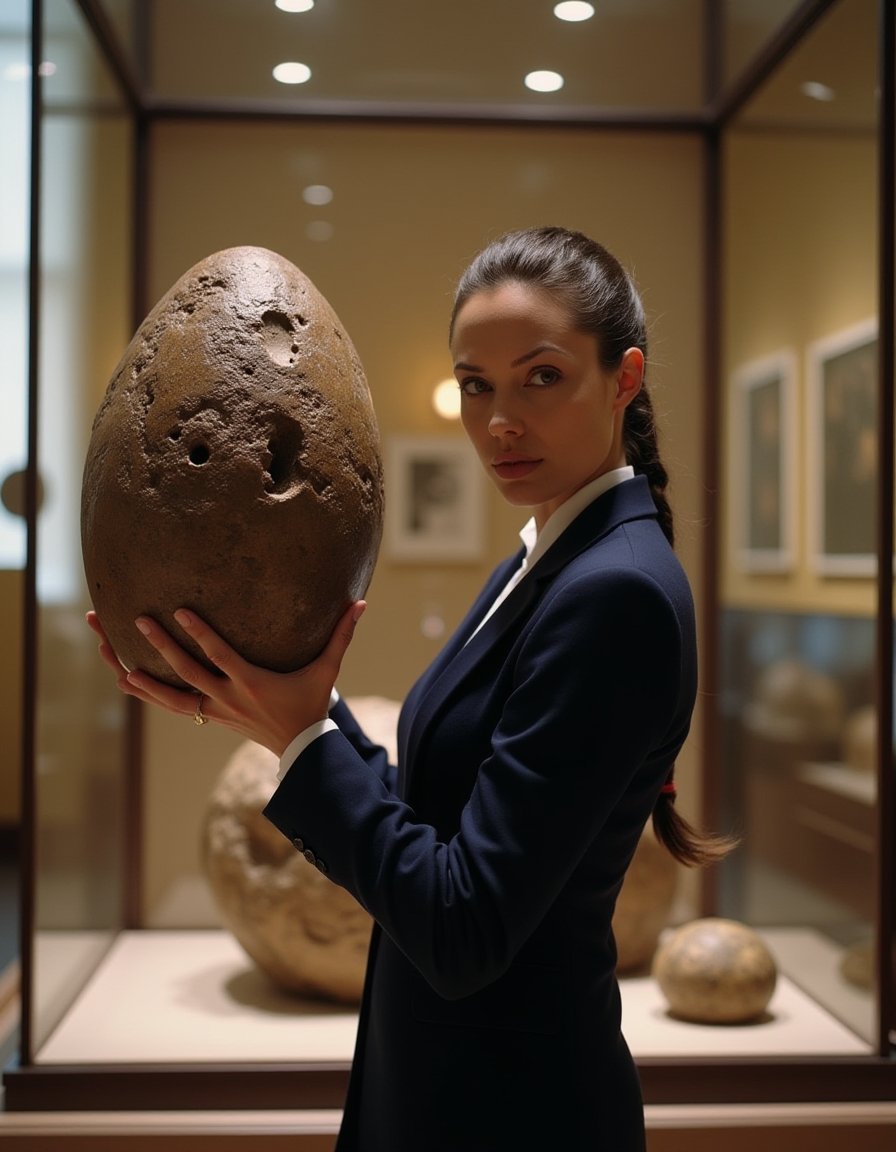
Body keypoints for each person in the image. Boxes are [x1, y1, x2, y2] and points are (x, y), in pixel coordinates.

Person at [88, 226, 732, 1151]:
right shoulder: (552, 556)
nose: (500, 420)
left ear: (624, 378)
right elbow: (438, 820)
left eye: (540, 377)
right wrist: (291, 707)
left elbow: (465, 925)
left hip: (515, 1113)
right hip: (457, 1091)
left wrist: (308, 739)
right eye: (477, 385)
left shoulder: (615, 591)